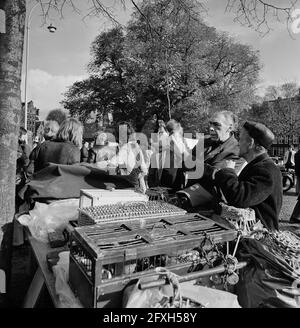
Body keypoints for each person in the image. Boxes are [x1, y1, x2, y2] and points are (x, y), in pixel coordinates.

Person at [211, 121, 282, 231]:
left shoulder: (266, 170)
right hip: (250, 231)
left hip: (259, 236)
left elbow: (240, 198)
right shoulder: (258, 166)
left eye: (241, 138)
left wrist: (228, 171)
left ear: (251, 143)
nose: (238, 142)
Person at [108, 121, 148, 192]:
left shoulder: (130, 146)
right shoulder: (131, 146)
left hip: (129, 186)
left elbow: (143, 169)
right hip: (127, 185)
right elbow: (144, 169)